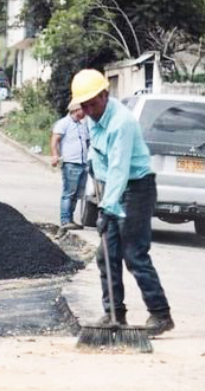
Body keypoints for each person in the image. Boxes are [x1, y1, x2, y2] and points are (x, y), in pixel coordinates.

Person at [68, 69, 173, 335]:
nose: (89, 110)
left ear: (105, 95)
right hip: (114, 186)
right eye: (85, 105)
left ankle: (160, 314)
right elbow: (99, 153)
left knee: (133, 253)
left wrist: (106, 208)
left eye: (93, 103)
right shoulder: (93, 116)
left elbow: (119, 169)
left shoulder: (122, 123)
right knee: (106, 254)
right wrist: (93, 164)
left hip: (136, 188)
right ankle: (114, 313)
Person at [50, 101, 89, 230]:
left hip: (83, 162)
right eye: (83, 109)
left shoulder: (82, 125)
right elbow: (55, 140)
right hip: (71, 163)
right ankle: (65, 220)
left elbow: (87, 141)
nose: (86, 112)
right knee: (69, 192)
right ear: (76, 110)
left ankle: (70, 219)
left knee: (77, 193)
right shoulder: (63, 124)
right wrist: (55, 155)